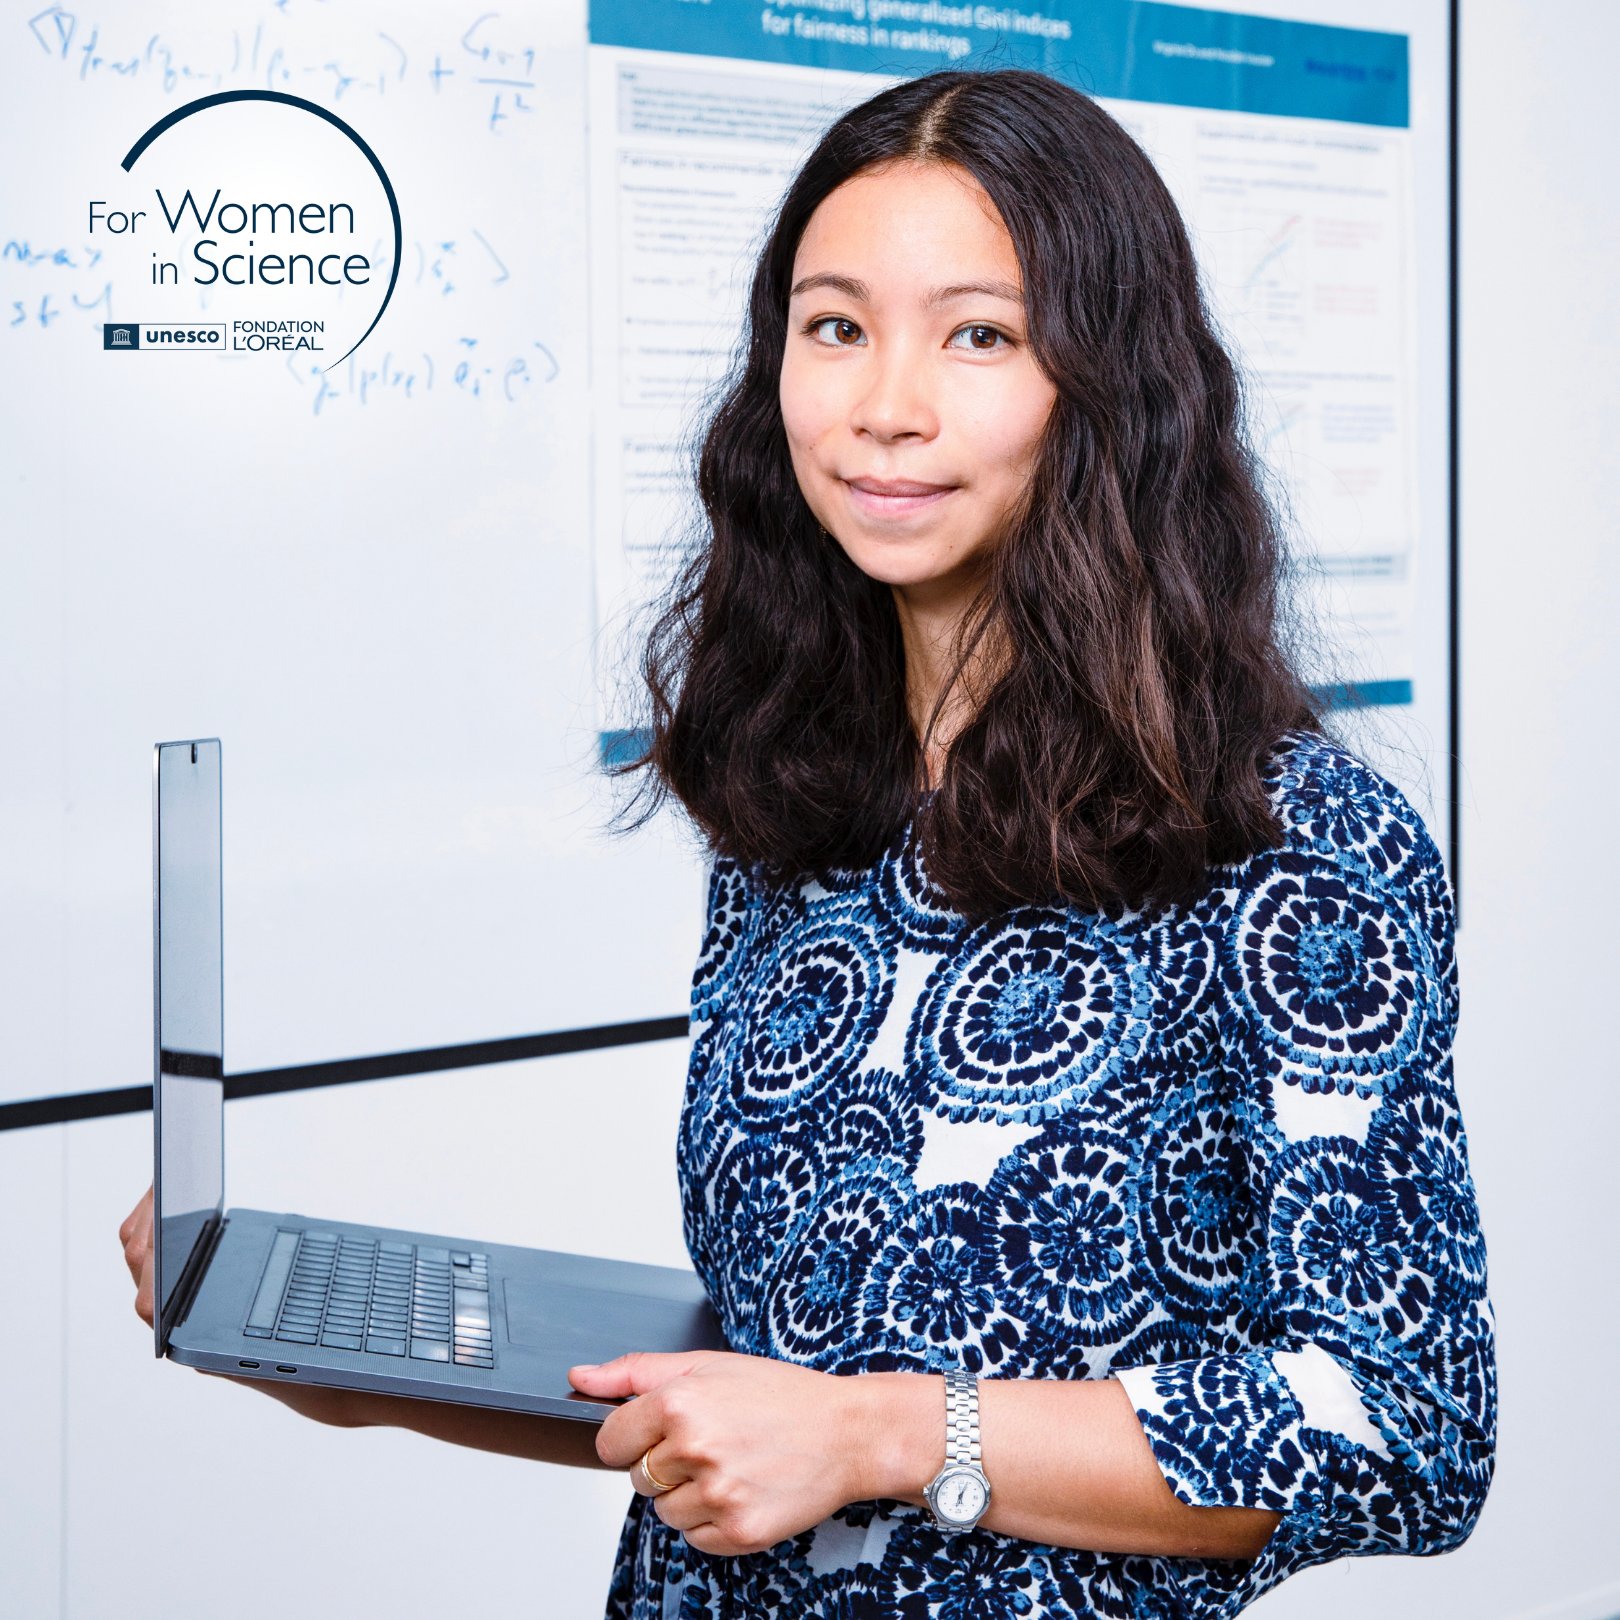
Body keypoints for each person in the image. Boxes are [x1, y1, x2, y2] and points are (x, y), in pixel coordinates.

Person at [123, 66, 1495, 1620]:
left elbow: (1407, 1429)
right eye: (835, 326)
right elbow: (781, 1382)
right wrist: (361, 1359)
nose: (883, 406)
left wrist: (885, 1437)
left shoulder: (1292, 845)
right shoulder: (807, 809)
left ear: (1112, 386)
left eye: (980, 335)